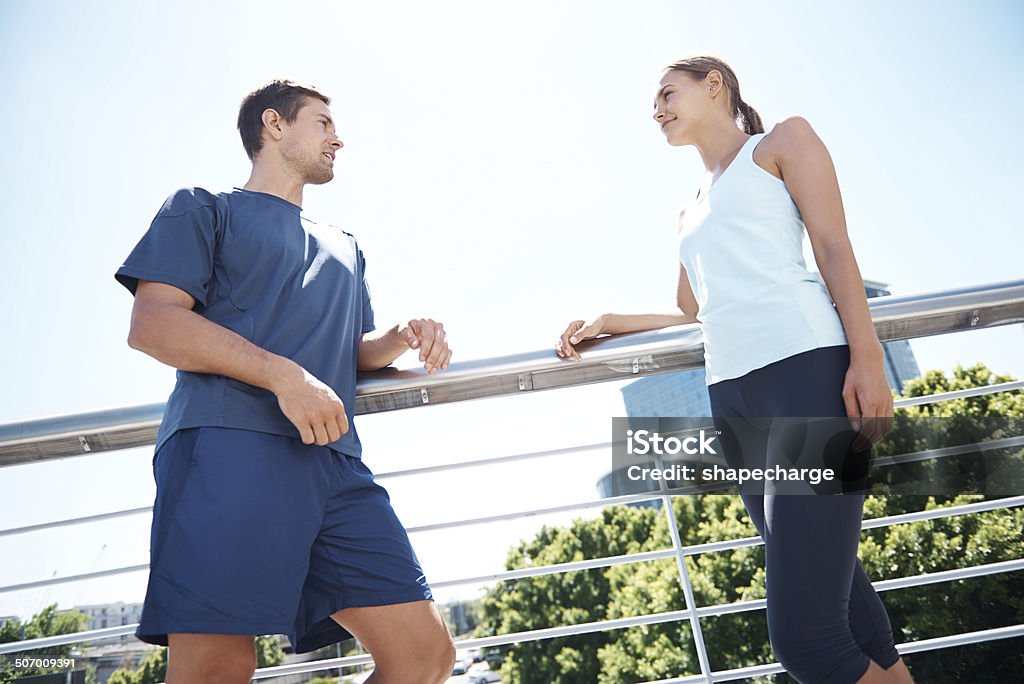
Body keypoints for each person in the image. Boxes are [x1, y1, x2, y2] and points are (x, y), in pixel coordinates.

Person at [556, 56, 914, 684]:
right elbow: (690, 308)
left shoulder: (783, 142)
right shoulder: (690, 208)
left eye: (668, 93)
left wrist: (866, 357)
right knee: (848, 611)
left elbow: (833, 245)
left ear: (714, 84)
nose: (657, 109)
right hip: (735, 399)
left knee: (809, 642)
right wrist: (607, 318)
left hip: (805, 371)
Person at [116, 80, 455, 684]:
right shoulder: (202, 208)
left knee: (422, 656)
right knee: (217, 667)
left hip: (334, 464)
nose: (338, 137)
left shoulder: (347, 248)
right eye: (323, 123)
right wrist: (282, 376)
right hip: (227, 447)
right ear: (274, 125)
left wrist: (402, 333)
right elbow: (154, 324)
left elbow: (352, 353)